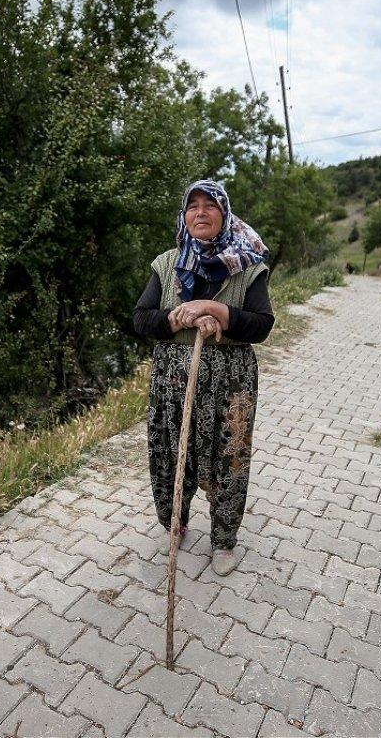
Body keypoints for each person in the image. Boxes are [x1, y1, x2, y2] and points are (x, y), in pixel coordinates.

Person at [132, 179, 274, 576]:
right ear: (184, 216)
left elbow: (261, 325)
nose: (200, 213)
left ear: (224, 214)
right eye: (192, 206)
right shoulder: (167, 263)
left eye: (209, 205)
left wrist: (218, 310)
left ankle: (224, 541)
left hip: (231, 385)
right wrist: (173, 318)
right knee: (168, 453)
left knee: (229, 457)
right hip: (171, 383)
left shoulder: (249, 267)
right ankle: (175, 523)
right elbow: (142, 318)